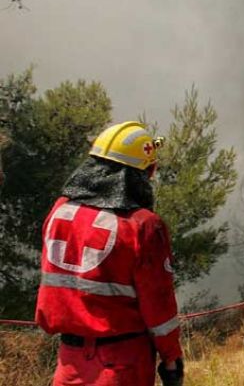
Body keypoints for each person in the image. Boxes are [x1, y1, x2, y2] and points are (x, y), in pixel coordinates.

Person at [35, 121, 184, 386]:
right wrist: (171, 357)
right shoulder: (144, 226)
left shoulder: (59, 211)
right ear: (145, 173)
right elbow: (158, 304)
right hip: (122, 364)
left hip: (68, 362)